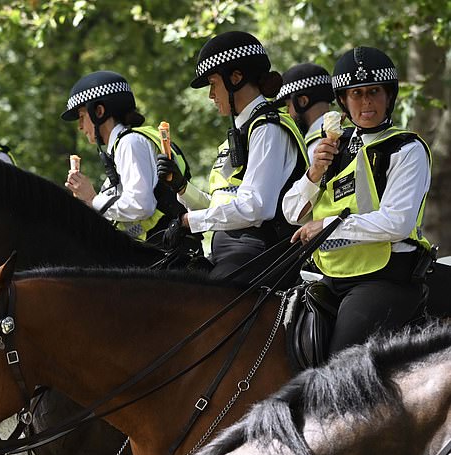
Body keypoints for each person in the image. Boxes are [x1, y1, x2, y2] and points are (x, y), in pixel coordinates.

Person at [283, 46, 432, 355]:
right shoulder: (333, 148)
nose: (366, 102)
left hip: (386, 278)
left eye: (374, 92)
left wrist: (326, 226)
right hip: (330, 277)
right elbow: (291, 212)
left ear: (389, 96)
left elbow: (398, 222)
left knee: (340, 364)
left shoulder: (407, 150)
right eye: (357, 93)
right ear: (343, 101)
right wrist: (314, 173)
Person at [156, 31, 309, 284]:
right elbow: (222, 207)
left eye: (213, 84)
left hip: (259, 251)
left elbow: (256, 207)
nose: (210, 95)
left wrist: (188, 221)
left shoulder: (267, 129)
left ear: (236, 78)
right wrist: (182, 188)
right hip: (231, 251)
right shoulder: (242, 132)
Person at [61, 70, 194, 249]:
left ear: (99, 111)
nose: (80, 126)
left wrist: (93, 198)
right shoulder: (121, 147)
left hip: (167, 253)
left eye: (82, 117)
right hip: (156, 249)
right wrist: (88, 204)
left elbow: (141, 205)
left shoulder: (130, 143)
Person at [277, 63, 336, 160]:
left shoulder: (317, 148)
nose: (287, 113)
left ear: (302, 102)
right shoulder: (344, 135)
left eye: (288, 106)